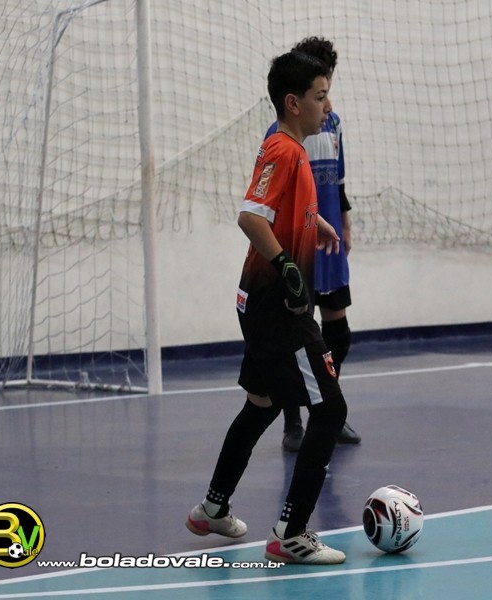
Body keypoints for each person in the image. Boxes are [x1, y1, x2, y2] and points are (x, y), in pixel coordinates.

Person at [185, 50, 348, 565]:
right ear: (293, 103)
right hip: (278, 305)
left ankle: (213, 508)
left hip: (259, 300)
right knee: (330, 410)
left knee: (263, 402)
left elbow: (278, 211)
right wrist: (288, 267)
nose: (328, 106)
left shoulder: (290, 149)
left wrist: (313, 222)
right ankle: (292, 533)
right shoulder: (283, 150)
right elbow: (250, 217)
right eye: (321, 96)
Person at [265, 37, 361, 452]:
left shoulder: (333, 124)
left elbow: (338, 181)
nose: (326, 101)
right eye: (321, 92)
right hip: (298, 244)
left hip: (329, 241)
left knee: (338, 332)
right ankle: (293, 422)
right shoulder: (283, 135)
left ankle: (328, 409)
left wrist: (344, 222)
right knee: (296, 336)